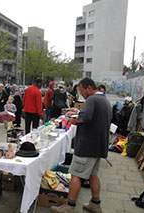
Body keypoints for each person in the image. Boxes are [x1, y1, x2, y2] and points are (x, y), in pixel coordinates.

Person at [50, 77, 112, 213]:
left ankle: (70, 206)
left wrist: (74, 120)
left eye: (82, 91)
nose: (81, 94)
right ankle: (95, 204)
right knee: (93, 174)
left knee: (75, 174)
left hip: (87, 146)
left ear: (89, 88)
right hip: (98, 145)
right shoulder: (104, 100)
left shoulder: (92, 99)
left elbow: (86, 117)